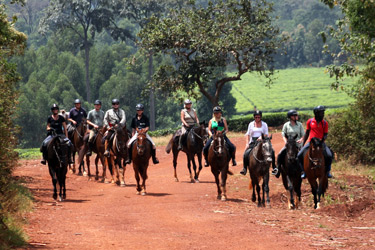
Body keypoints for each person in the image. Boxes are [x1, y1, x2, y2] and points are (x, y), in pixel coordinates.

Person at [297, 106, 333, 179]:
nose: (323, 114)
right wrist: (303, 144)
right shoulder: (310, 121)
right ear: (316, 113)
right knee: (299, 155)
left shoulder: (325, 123)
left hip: (321, 143)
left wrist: (322, 140)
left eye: (323, 112)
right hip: (311, 142)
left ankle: (328, 171)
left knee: (329, 155)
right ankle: (303, 171)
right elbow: (307, 133)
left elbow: (325, 134)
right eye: (321, 113)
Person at [240, 110, 277, 175]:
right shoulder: (251, 124)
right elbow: (248, 134)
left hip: (263, 141)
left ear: (261, 117)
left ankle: (274, 167)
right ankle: (244, 168)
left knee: (272, 151)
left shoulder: (264, 124)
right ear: (254, 117)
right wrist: (247, 143)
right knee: (246, 153)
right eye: (256, 117)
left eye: (259, 117)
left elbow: (266, 134)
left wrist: (261, 137)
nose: (257, 119)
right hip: (253, 141)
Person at [274, 110, 305, 178]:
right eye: (295, 115)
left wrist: (301, 139)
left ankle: (304, 171)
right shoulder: (286, 125)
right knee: (280, 154)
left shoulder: (300, 124)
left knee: (304, 155)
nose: (297, 116)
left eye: (296, 115)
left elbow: (303, 134)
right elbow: (283, 134)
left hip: (298, 144)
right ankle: (278, 170)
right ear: (291, 117)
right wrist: (285, 141)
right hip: (289, 145)